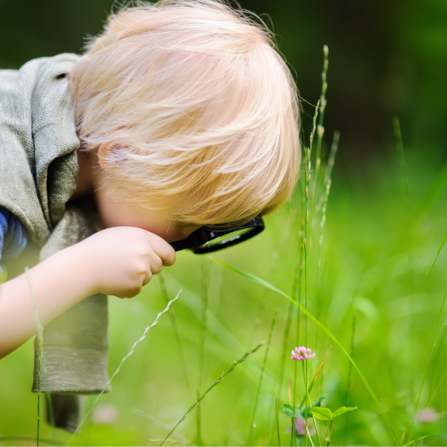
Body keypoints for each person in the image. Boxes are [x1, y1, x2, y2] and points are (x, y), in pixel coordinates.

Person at [0, 0, 300, 431]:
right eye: (182, 223)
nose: (177, 244)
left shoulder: (50, 113)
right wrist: (82, 267)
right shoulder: (6, 177)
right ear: (120, 155)